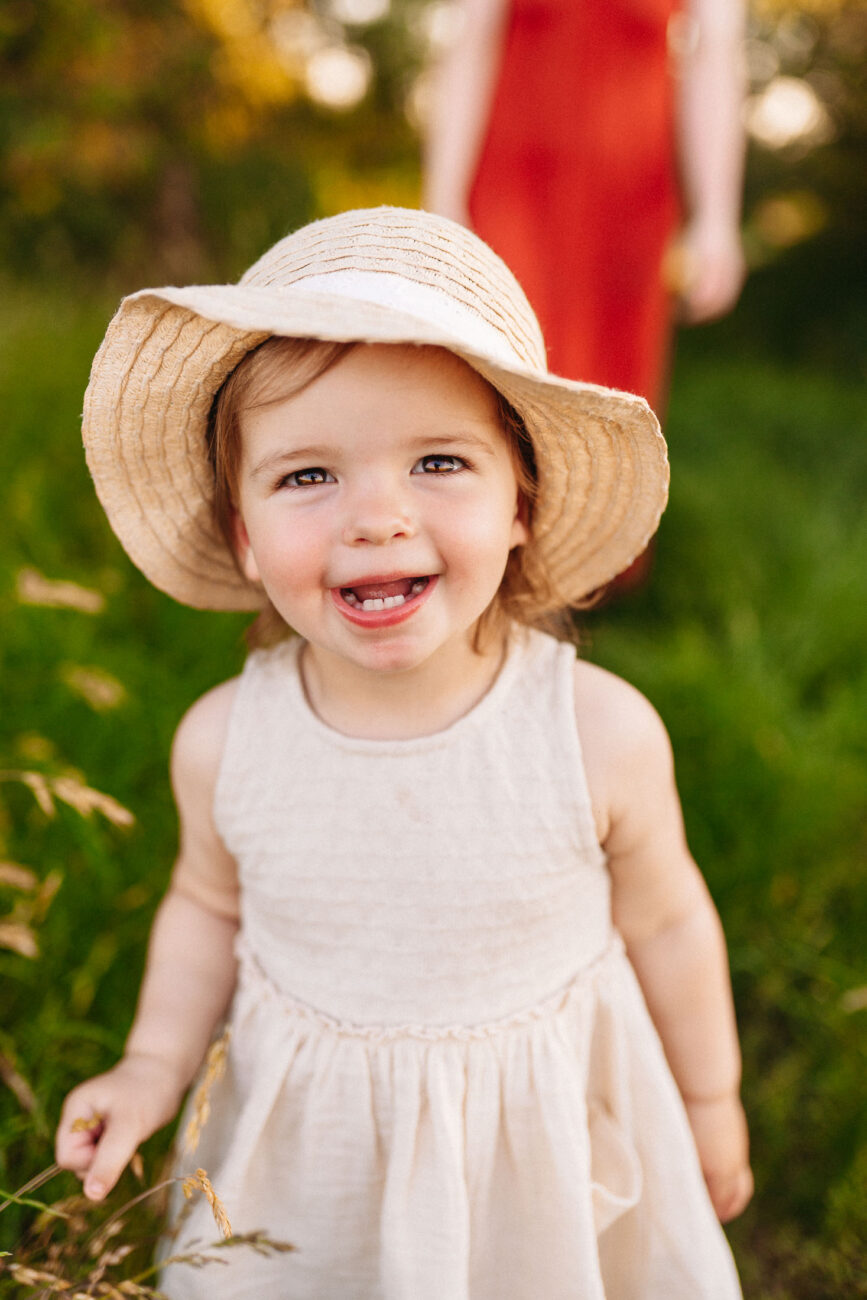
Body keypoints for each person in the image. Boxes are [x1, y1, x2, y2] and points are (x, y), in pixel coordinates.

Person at [56, 206, 752, 1299]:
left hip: (529, 1147)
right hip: (312, 1154)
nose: (376, 518)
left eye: (437, 461)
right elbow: (205, 907)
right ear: (243, 534)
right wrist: (151, 1064)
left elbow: (667, 921)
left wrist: (708, 1103)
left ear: (521, 502)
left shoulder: (595, 734)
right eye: (307, 476)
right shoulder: (226, 741)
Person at [423, 0, 747, 411]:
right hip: (512, 190)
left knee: (612, 406)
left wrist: (717, 217)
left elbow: (715, 53)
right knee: (499, 382)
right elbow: (472, 36)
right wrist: (444, 200)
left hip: (632, 199)